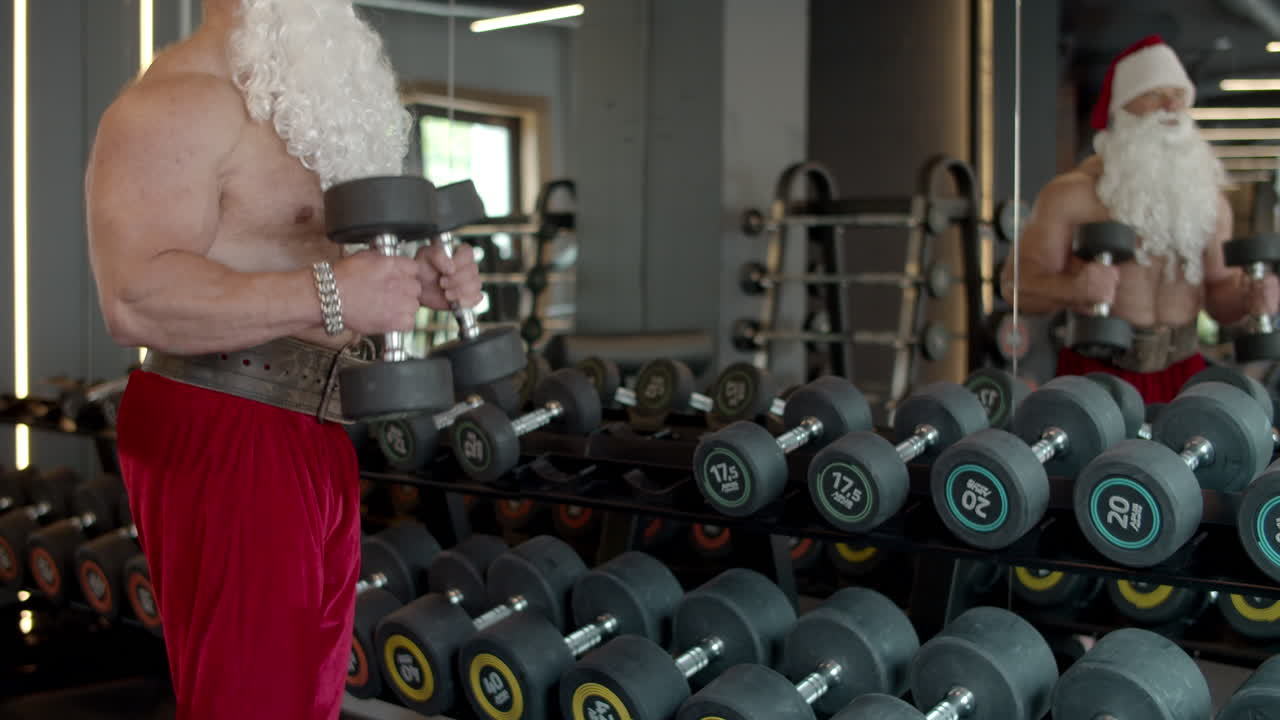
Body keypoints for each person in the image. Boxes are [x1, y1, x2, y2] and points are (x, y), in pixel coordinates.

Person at [84, 0, 482, 717]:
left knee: (308, 700)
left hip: (316, 427)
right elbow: (137, 299)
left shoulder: (302, 106)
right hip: (227, 420)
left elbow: (314, 271)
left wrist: (412, 280)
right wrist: (333, 291)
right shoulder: (179, 101)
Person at [1004, 35, 1279, 402]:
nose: (1171, 105)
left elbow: (1218, 295)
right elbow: (1015, 286)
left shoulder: (1207, 200)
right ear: (1122, 108)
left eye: (1179, 94)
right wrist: (1073, 289)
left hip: (1184, 372)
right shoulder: (1071, 195)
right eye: (1154, 93)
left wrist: (1250, 297)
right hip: (1097, 373)